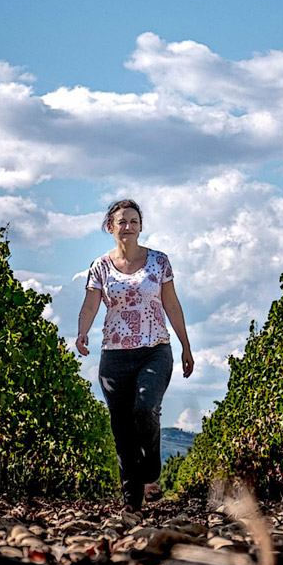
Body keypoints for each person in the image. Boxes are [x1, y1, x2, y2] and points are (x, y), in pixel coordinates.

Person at [76, 199, 194, 513]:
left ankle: (151, 470)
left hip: (155, 350)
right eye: (121, 221)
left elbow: (172, 305)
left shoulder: (159, 262)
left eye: (133, 221)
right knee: (121, 428)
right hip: (114, 356)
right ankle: (132, 501)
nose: (128, 226)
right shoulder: (100, 266)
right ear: (109, 227)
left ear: (140, 226)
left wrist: (185, 345)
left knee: (145, 408)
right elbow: (90, 305)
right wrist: (82, 331)